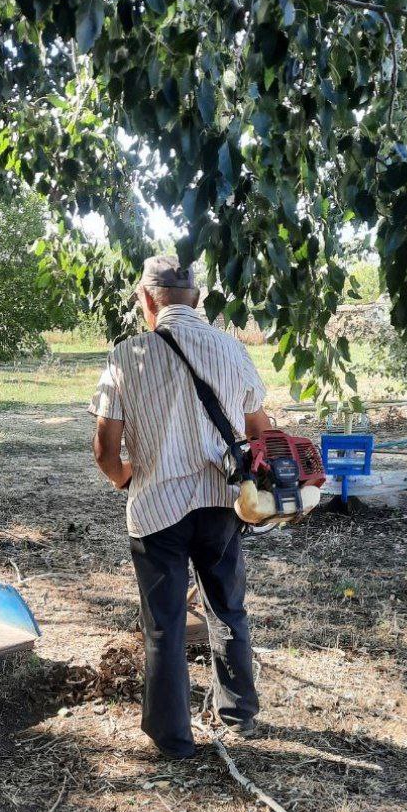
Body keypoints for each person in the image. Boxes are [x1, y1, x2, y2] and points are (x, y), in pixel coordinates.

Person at [88, 256, 274, 759]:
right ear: (197, 298)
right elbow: (261, 433)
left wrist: (126, 478)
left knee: (165, 622)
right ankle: (238, 710)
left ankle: (172, 738)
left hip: (155, 512)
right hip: (221, 504)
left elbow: (106, 451)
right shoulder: (232, 351)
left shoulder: (126, 356)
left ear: (147, 301)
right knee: (227, 607)